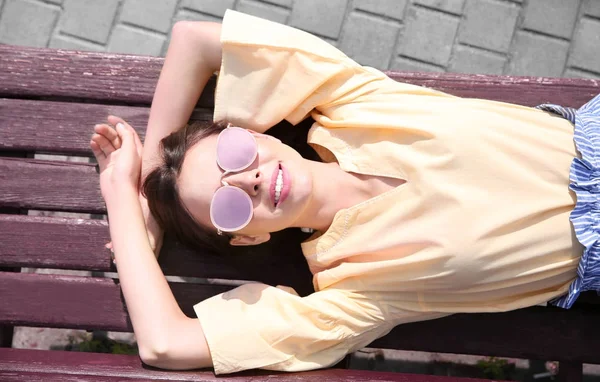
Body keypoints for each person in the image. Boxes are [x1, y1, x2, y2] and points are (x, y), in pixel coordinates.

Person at [90, 10, 600, 375]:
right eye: (229, 204)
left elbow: (193, 40)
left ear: (258, 130)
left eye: (235, 154)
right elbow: (164, 344)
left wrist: (148, 181)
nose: (246, 179)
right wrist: (122, 201)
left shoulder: (350, 101)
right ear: (247, 240)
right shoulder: (354, 292)